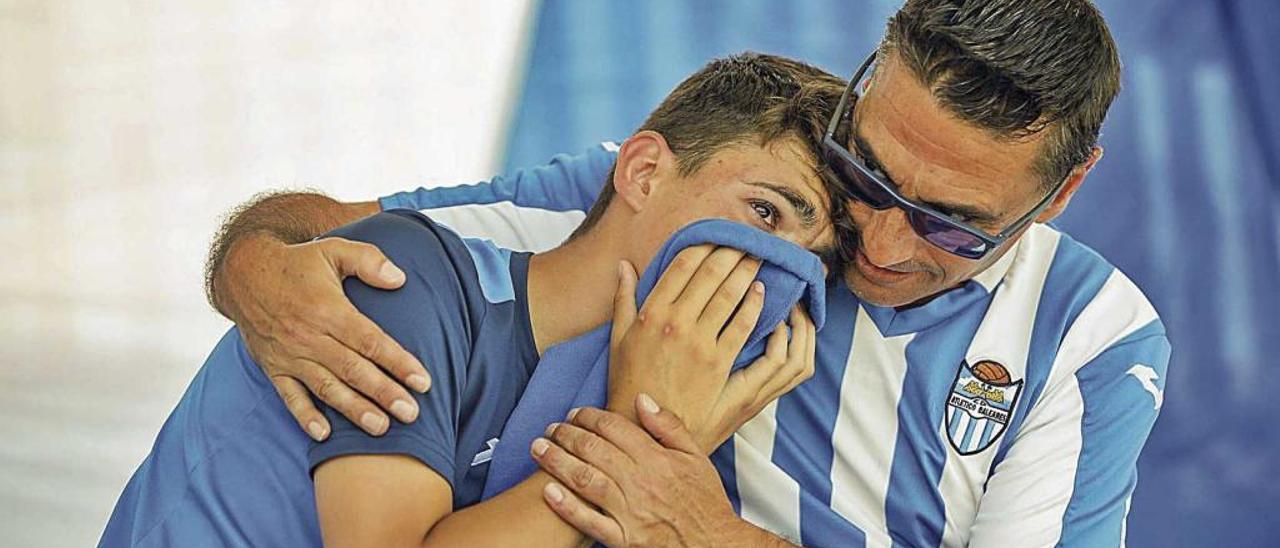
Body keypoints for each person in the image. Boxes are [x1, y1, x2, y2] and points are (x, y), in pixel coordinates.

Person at [210, 1, 1173, 546]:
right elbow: (312, 229)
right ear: (868, 82)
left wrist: (707, 537)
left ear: (1063, 191)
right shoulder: (731, 201)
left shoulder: (1087, 337)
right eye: (869, 174)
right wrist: (257, 270)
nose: (877, 243)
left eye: (953, 227)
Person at [101, 53, 848, 546]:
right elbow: (299, 224)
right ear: (643, 175)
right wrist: (639, 440)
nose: (778, 272)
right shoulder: (404, 277)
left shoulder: (667, 383)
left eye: (812, 262)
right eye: (763, 213)